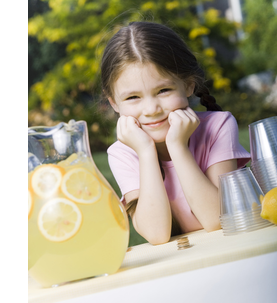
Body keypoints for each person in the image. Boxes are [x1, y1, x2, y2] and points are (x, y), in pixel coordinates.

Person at [103, 21, 250, 245]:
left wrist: (178, 147)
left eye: (163, 90)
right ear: (114, 103)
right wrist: (145, 152)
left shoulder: (218, 126)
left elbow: (218, 219)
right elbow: (156, 234)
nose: (151, 109)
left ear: (189, 85)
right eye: (133, 97)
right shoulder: (122, 153)